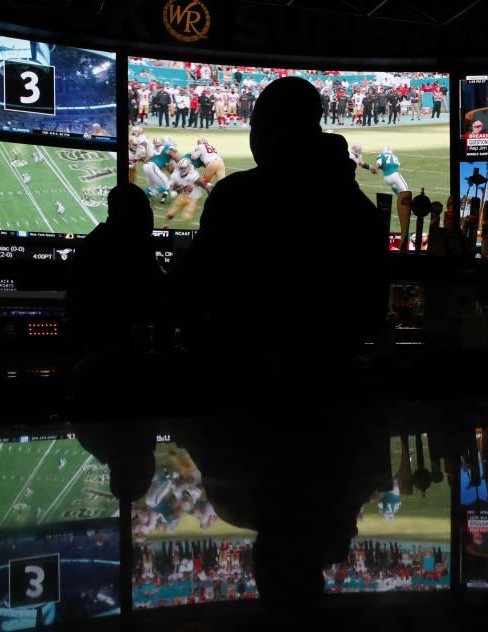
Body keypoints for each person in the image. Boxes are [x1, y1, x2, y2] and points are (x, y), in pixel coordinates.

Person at [165, 76, 387, 606]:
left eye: (256, 123)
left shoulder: (241, 196)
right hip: (337, 409)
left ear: (270, 131)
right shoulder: (357, 207)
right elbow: (370, 319)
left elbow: (190, 300)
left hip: (247, 408)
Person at [66, 183, 164, 356]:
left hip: (92, 347)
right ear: (133, 213)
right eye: (145, 208)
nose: (149, 215)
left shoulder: (95, 241)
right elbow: (158, 293)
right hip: (114, 351)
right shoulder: (132, 245)